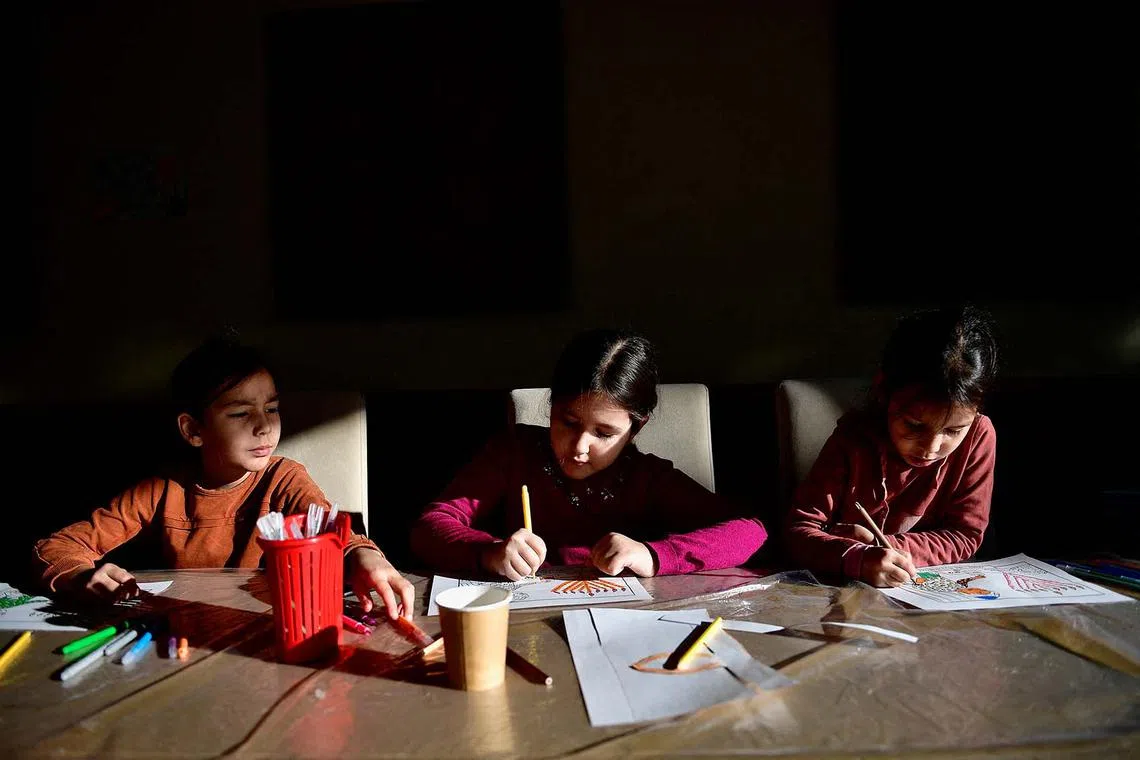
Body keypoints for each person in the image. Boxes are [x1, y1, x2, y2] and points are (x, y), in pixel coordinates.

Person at [32, 334, 415, 618]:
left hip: (262, 626)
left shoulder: (283, 478)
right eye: (239, 413)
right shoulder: (162, 490)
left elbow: (335, 531)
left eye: (273, 408)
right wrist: (82, 576)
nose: (265, 427)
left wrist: (363, 554)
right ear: (193, 430)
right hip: (183, 629)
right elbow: (56, 547)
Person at [411, 328, 766, 580]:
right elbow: (429, 527)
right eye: (567, 423)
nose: (579, 447)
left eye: (604, 433)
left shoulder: (647, 478)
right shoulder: (514, 453)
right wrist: (489, 551)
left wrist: (654, 555)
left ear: (635, 430)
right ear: (551, 407)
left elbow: (750, 530)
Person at [783, 305, 999, 587]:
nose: (931, 448)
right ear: (884, 391)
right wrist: (857, 558)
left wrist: (883, 546)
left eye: (953, 430)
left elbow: (965, 535)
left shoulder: (978, 437)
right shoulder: (854, 439)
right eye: (914, 425)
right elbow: (798, 531)